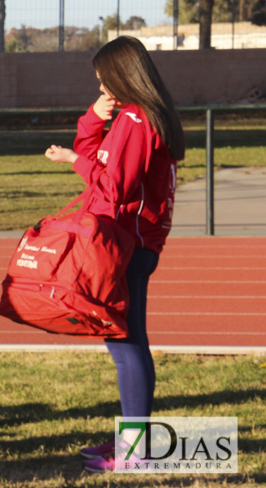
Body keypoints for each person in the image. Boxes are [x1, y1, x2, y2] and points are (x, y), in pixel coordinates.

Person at [43, 36, 184, 473]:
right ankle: (131, 438)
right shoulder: (130, 116)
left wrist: (72, 161)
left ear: (123, 74)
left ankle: (137, 448)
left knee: (126, 344)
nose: (102, 86)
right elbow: (100, 163)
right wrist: (92, 120)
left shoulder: (139, 121)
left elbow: (112, 185)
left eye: (104, 79)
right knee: (123, 340)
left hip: (128, 244)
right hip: (124, 241)